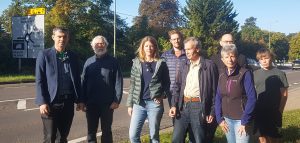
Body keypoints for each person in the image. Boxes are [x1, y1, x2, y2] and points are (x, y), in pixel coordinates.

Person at [35, 27, 84, 143]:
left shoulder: (73, 56)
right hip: (51, 103)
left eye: (65, 37)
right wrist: (42, 102)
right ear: (53, 37)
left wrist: (80, 100)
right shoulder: (44, 55)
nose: (62, 39)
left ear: (68, 38)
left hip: (68, 103)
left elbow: (77, 79)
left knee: (63, 137)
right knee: (50, 137)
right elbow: (39, 80)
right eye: (59, 36)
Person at [169, 37, 218, 143]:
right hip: (183, 106)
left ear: (197, 49)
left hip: (199, 106)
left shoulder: (209, 66)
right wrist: (174, 105)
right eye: (185, 49)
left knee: (198, 139)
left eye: (189, 49)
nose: (186, 52)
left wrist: (212, 111)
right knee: (176, 139)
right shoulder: (184, 65)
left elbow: (215, 91)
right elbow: (177, 87)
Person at [127, 36, 170, 143]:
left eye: (151, 46)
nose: (149, 48)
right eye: (146, 46)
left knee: (154, 137)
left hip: (154, 104)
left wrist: (162, 95)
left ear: (155, 47)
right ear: (142, 47)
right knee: (133, 136)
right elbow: (133, 84)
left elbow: (167, 83)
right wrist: (129, 104)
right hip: (138, 104)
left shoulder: (161, 63)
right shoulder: (136, 63)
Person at [81, 35, 123, 143]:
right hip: (91, 104)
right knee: (91, 132)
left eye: (102, 43)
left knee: (106, 131)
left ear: (106, 45)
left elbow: (118, 81)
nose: (100, 46)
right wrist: (82, 101)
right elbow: (83, 82)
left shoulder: (113, 62)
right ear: (92, 46)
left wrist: (116, 100)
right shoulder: (88, 62)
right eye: (97, 44)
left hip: (108, 104)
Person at [209, 33, 248, 142]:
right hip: (221, 102)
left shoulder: (241, 58)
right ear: (221, 43)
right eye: (226, 42)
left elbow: (244, 87)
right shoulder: (214, 59)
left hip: (239, 108)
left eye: (231, 42)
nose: (228, 44)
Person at [215, 44, 257, 143]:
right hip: (226, 120)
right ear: (222, 60)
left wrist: (245, 121)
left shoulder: (245, 73)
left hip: (241, 120)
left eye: (232, 56)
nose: (230, 59)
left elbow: (252, 98)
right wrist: (219, 119)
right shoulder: (221, 74)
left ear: (236, 57)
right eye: (226, 57)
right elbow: (218, 97)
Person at [161, 30, 194, 142]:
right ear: (170, 41)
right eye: (173, 39)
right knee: (176, 119)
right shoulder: (165, 55)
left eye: (178, 38)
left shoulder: (188, 54)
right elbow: (160, 74)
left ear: (181, 39)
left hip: (187, 92)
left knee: (189, 119)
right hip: (171, 93)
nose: (176, 40)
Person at [253, 48, 289, 143]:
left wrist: (280, 110)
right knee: (261, 135)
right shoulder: (255, 74)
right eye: (261, 59)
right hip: (259, 110)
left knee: (274, 136)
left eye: (266, 58)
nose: (264, 61)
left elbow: (284, 94)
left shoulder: (280, 74)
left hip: (274, 110)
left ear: (271, 58)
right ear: (259, 60)